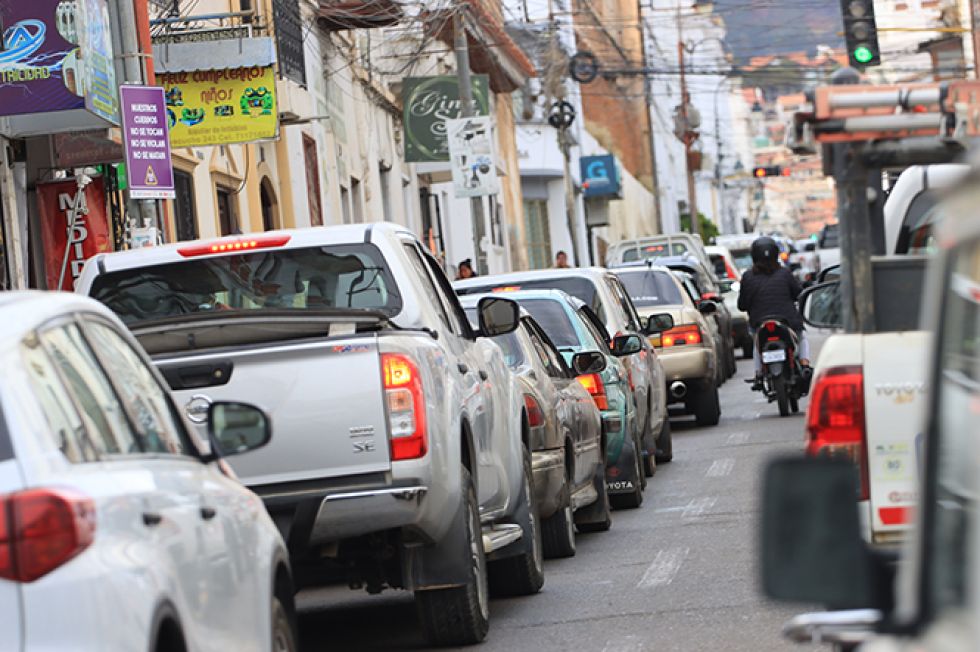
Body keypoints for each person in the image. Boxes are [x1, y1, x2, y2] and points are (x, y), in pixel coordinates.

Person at [737, 236, 811, 390]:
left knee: (757, 345)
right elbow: (798, 293)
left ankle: (758, 373)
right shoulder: (784, 273)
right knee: (802, 336)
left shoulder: (747, 277)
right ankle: (804, 364)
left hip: (759, 323)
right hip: (788, 321)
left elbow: (742, 305)